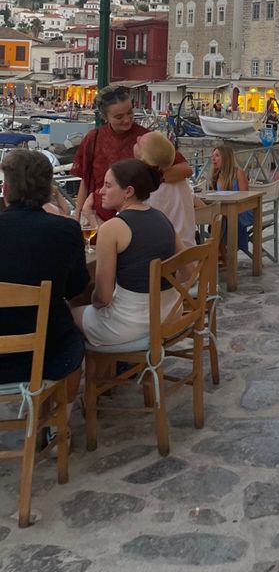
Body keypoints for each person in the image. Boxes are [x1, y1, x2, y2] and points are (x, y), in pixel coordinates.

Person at [0, 150, 88, 408]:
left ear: (6, 189)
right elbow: (76, 287)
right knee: (75, 336)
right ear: (49, 189)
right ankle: (59, 421)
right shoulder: (66, 230)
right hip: (48, 351)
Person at [73, 160, 183, 346]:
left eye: (108, 185)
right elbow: (188, 270)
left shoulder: (112, 228)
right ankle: (120, 367)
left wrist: (88, 299)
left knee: (66, 313)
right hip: (170, 313)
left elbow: (103, 298)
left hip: (131, 325)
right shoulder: (162, 218)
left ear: (128, 191)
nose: (100, 191)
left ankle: (99, 372)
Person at [71, 85, 192, 223]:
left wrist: (149, 180)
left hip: (133, 220)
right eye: (119, 117)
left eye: (130, 113)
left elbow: (186, 169)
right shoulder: (93, 138)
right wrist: (78, 215)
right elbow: (85, 181)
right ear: (105, 117)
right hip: (96, 217)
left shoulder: (146, 138)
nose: (127, 120)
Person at [135, 131, 197, 248]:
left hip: (167, 258)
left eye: (139, 144)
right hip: (188, 251)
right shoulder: (181, 182)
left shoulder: (151, 190)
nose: (137, 137)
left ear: (145, 159)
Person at [210, 145, 252, 256]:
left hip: (242, 210)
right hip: (225, 211)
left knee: (219, 220)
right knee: (217, 219)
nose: (213, 158)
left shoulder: (238, 173)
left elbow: (245, 198)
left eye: (217, 155)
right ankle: (221, 255)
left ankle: (220, 255)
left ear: (226, 157)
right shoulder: (216, 176)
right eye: (212, 156)